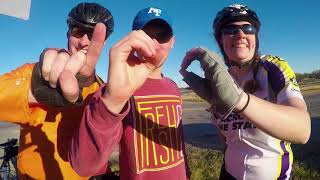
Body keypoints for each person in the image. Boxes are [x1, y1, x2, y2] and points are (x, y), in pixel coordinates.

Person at [180, 4, 311, 180]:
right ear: (221, 41)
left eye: (248, 28)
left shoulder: (273, 68)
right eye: (230, 29)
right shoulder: (220, 80)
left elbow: (302, 130)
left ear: (255, 38)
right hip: (228, 174)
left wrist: (239, 100)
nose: (241, 34)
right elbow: (227, 140)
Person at [67, 7, 190, 180]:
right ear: (134, 40)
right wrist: (112, 101)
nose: (154, 43)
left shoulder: (173, 87)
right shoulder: (113, 91)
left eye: (162, 35)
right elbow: (84, 166)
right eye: (146, 36)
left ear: (172, 42)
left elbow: (178, 143)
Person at [0, 2, 114, 179]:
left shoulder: (101, 88)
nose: (83, 41)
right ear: (68, 34)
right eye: (77, 32)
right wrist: (36, 89)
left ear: (103, 42)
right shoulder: (34, 72)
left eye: (92, 35)